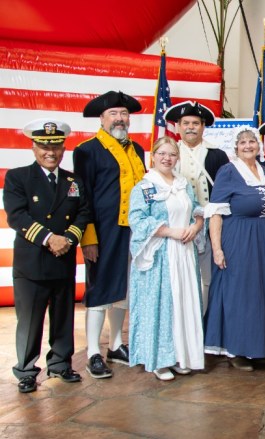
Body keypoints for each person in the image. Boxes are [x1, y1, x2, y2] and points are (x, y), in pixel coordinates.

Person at [5, 119, 90, 393]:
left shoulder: (73, 181)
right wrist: (49, 238)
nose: (50, 152)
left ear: (63, 149)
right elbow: (16, 215)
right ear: (34, 148)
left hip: (63, 258)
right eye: (44, 146)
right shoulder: (18, 177)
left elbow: (83, 213)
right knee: (30, 322)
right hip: (32, 262)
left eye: (55, 147)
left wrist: (69, 239)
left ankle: (61, 364)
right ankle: (26, 370)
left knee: (63, 317)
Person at [74, 91, 146, 379]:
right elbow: (83, 197)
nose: (120, 118)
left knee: (124, 289)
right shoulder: (87, 150)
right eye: (113, 113)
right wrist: (88, 237)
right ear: (102, 118)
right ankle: (93, 351)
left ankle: (116, 345)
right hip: (104, 231)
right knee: (100, 289)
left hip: (135, 230)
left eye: (124, 114)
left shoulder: (137, 149)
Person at [203, 127, 265, 370]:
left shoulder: (262, 169)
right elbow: (216, 213)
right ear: (236, 148)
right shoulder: (228, 171)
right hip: (239, 237)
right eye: (243, 143)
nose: (248, 146)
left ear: (259, 146)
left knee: (262, 292)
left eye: (252, 142)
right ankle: (236, 348)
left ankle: (259, 347)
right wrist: (217, 249)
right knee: (240, 293)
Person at [128, 136, 205, 381]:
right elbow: (137, 220)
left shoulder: (183, 184)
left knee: (183, 303)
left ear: (177, 158)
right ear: (153, 156)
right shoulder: (145, 187)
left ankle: (181, 356)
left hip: (184, 253)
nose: (167, 158)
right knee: (162, 304)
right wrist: (170, 232)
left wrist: (196, 226)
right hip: (161, 253)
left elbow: (196, 208)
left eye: (172, 154)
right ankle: (159, 359)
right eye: (162, 153)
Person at [164, 101, 229, 314]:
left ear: (203, 126)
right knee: (178, 274)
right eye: (186, 123)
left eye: (195, 123)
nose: (190, 127)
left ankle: (203, 319)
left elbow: (224, 192)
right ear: (178, 126)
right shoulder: (168, 153)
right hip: (178, 224)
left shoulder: (217, 155)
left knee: (206, 276)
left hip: (209, 223)